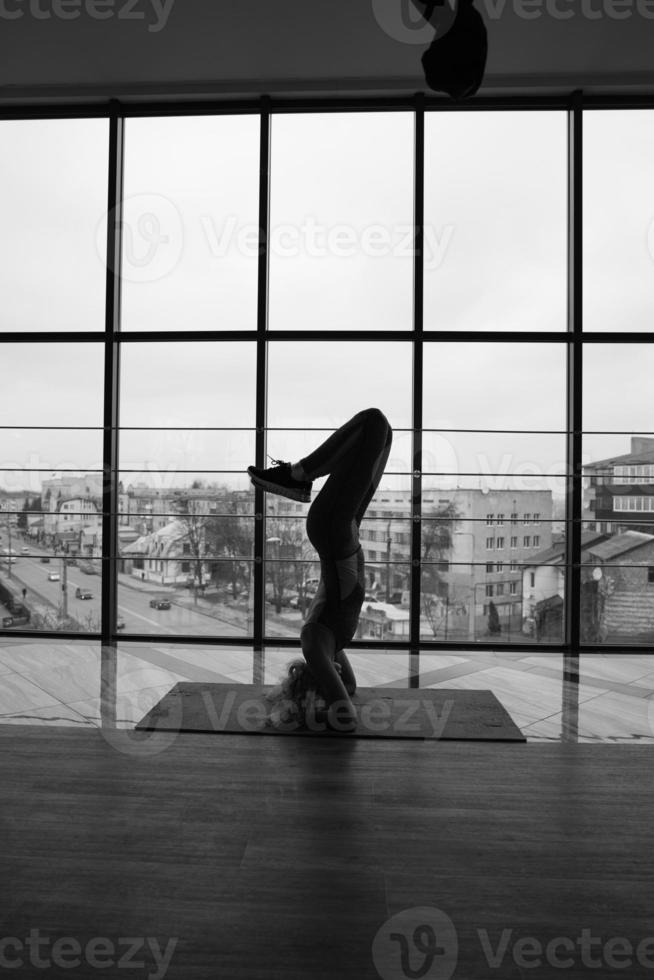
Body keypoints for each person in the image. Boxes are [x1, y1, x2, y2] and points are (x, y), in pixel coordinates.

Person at [248, 407, 393, 733]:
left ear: (321, 681)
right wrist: (332, 690)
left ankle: (297, 476)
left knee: (374, 422)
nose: (341, 679)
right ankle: (298, 477)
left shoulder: (315, 642)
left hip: (333, 530)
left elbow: (347, 718)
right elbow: (351, 688)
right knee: (382, 436)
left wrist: (325, 699)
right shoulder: (333, 644)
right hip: (347, 531)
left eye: (331, 681)